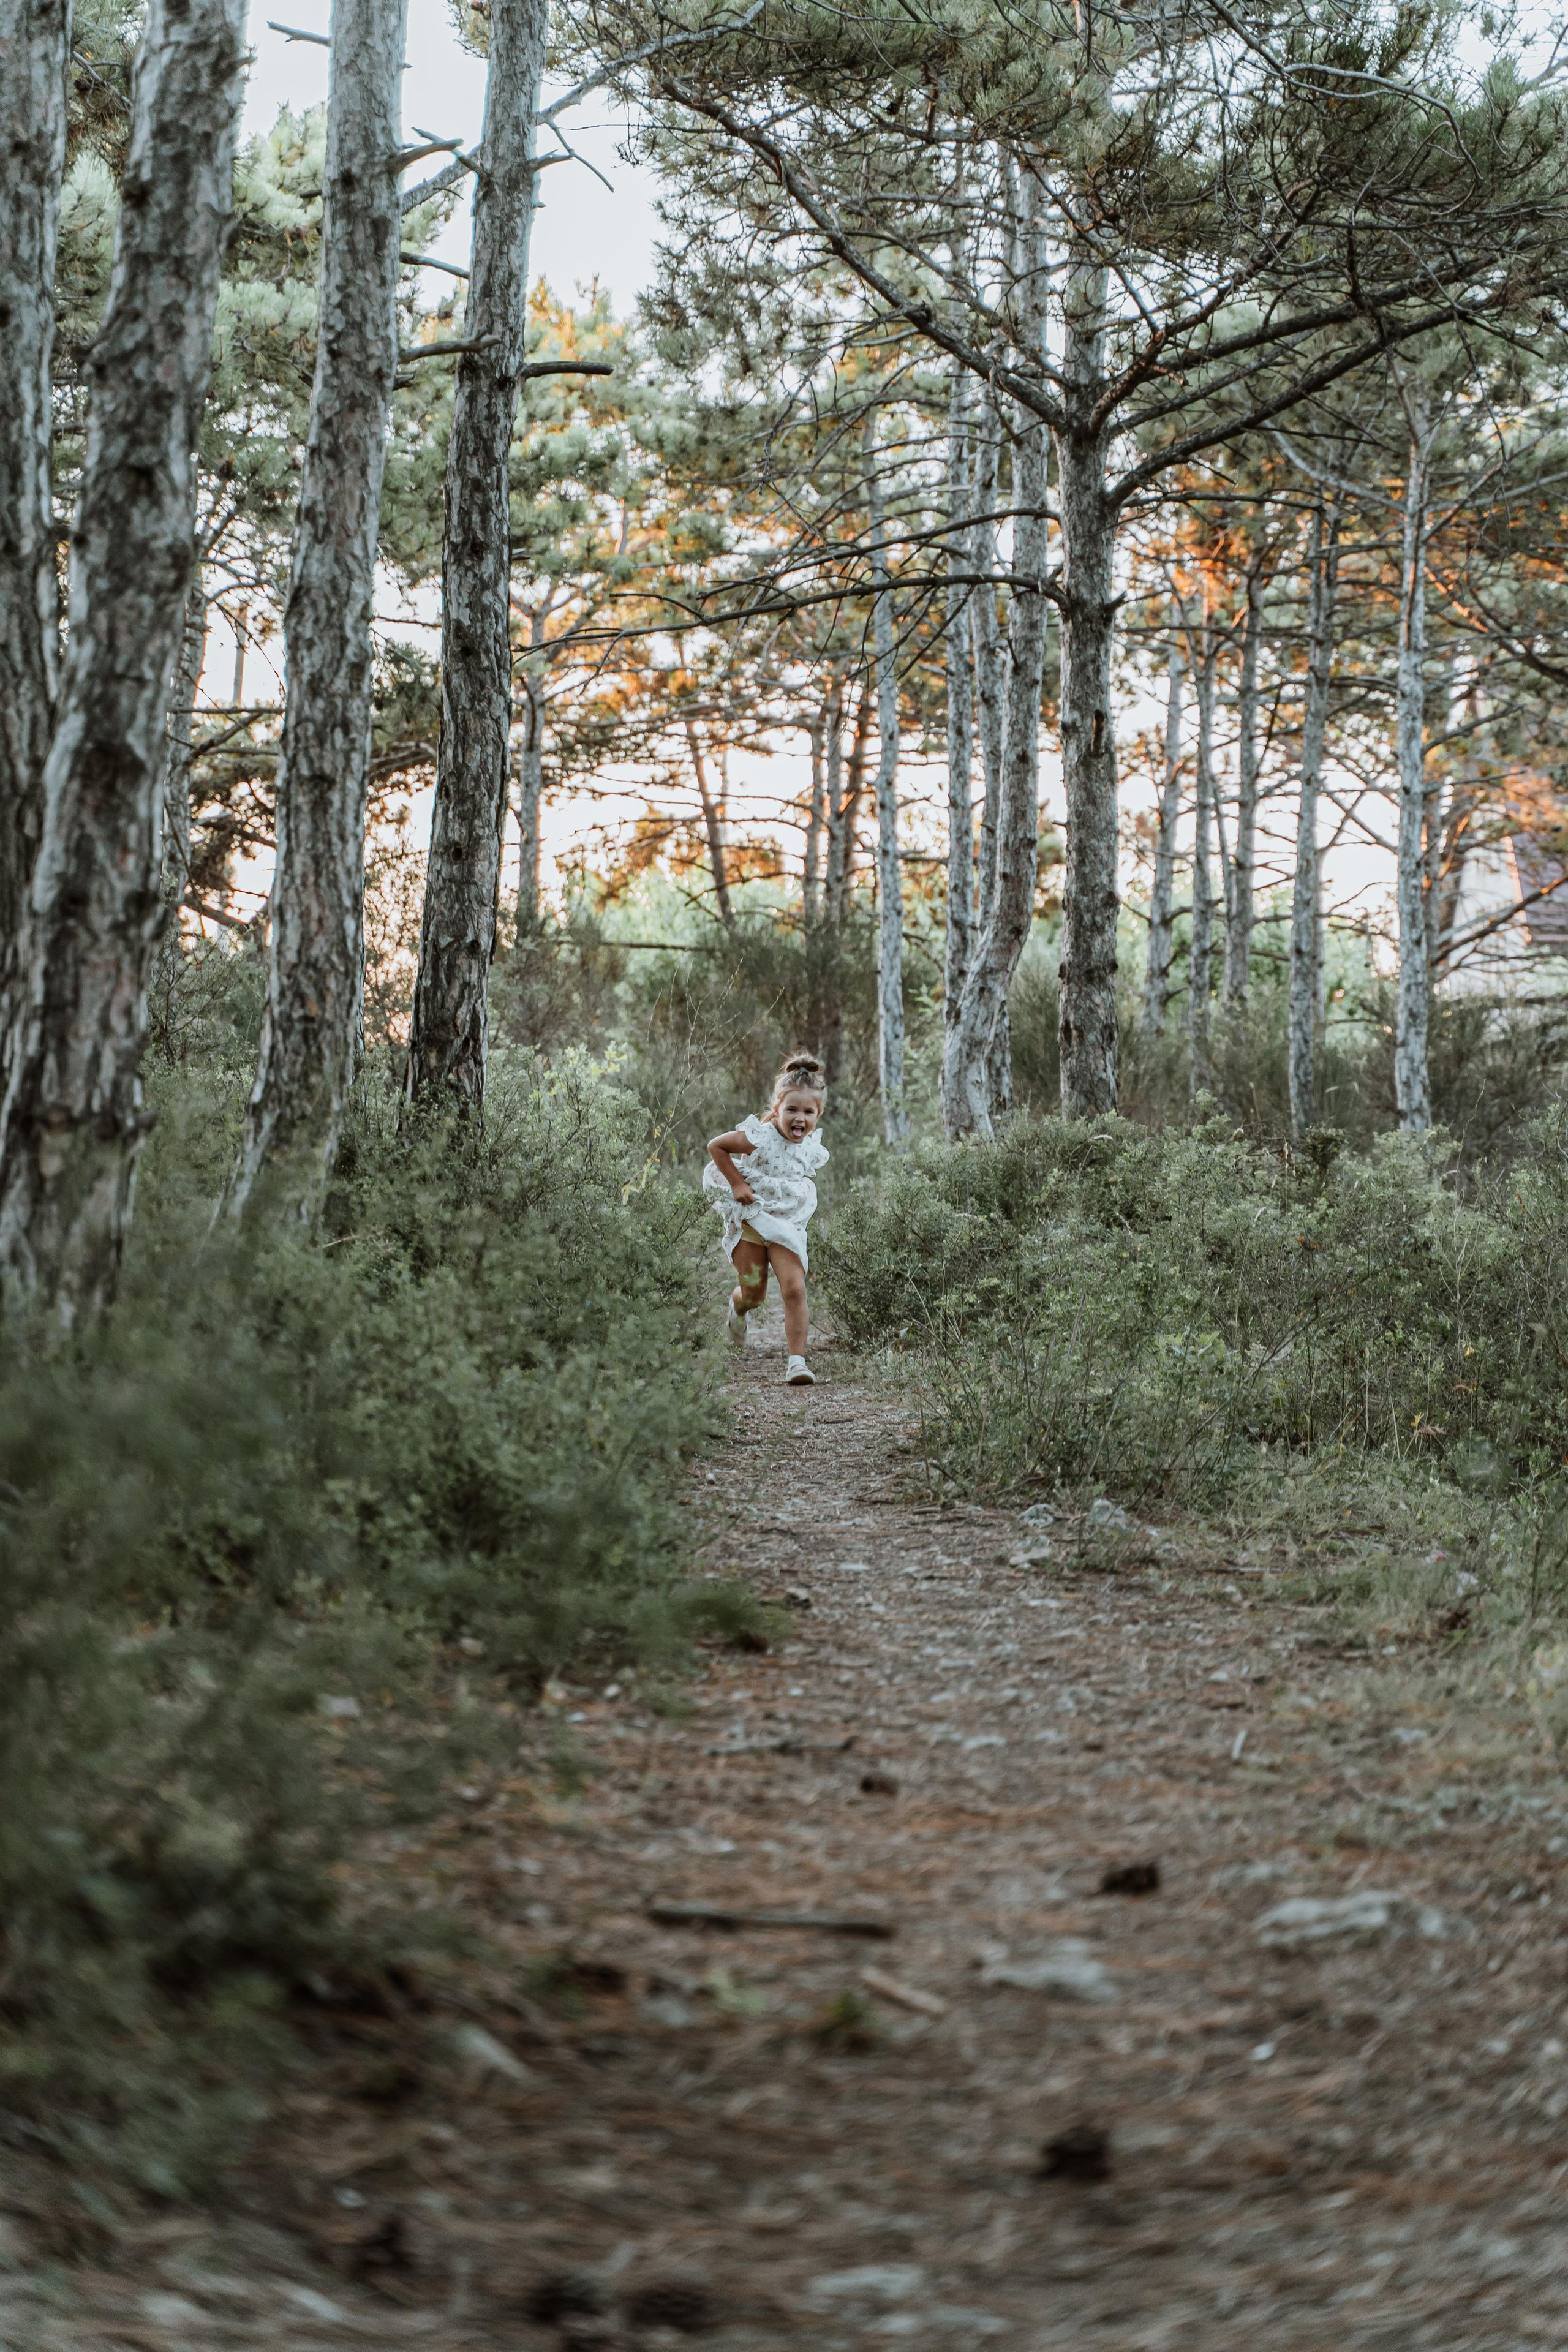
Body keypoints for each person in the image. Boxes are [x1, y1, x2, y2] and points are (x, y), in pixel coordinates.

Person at [703, 1052, 829, 1386]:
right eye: (792, 1110)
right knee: (754, 1294)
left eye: (808, 1111)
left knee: (794, 1288)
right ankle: (738, 1307)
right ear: (777, 1109)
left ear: (818, 1114)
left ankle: (797, 1363)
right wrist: (737, 1184)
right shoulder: (760, 1136)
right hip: (753, 1219)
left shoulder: (810, 1147)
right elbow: (716, 1147)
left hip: (787, 1223)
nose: (799, 1118)